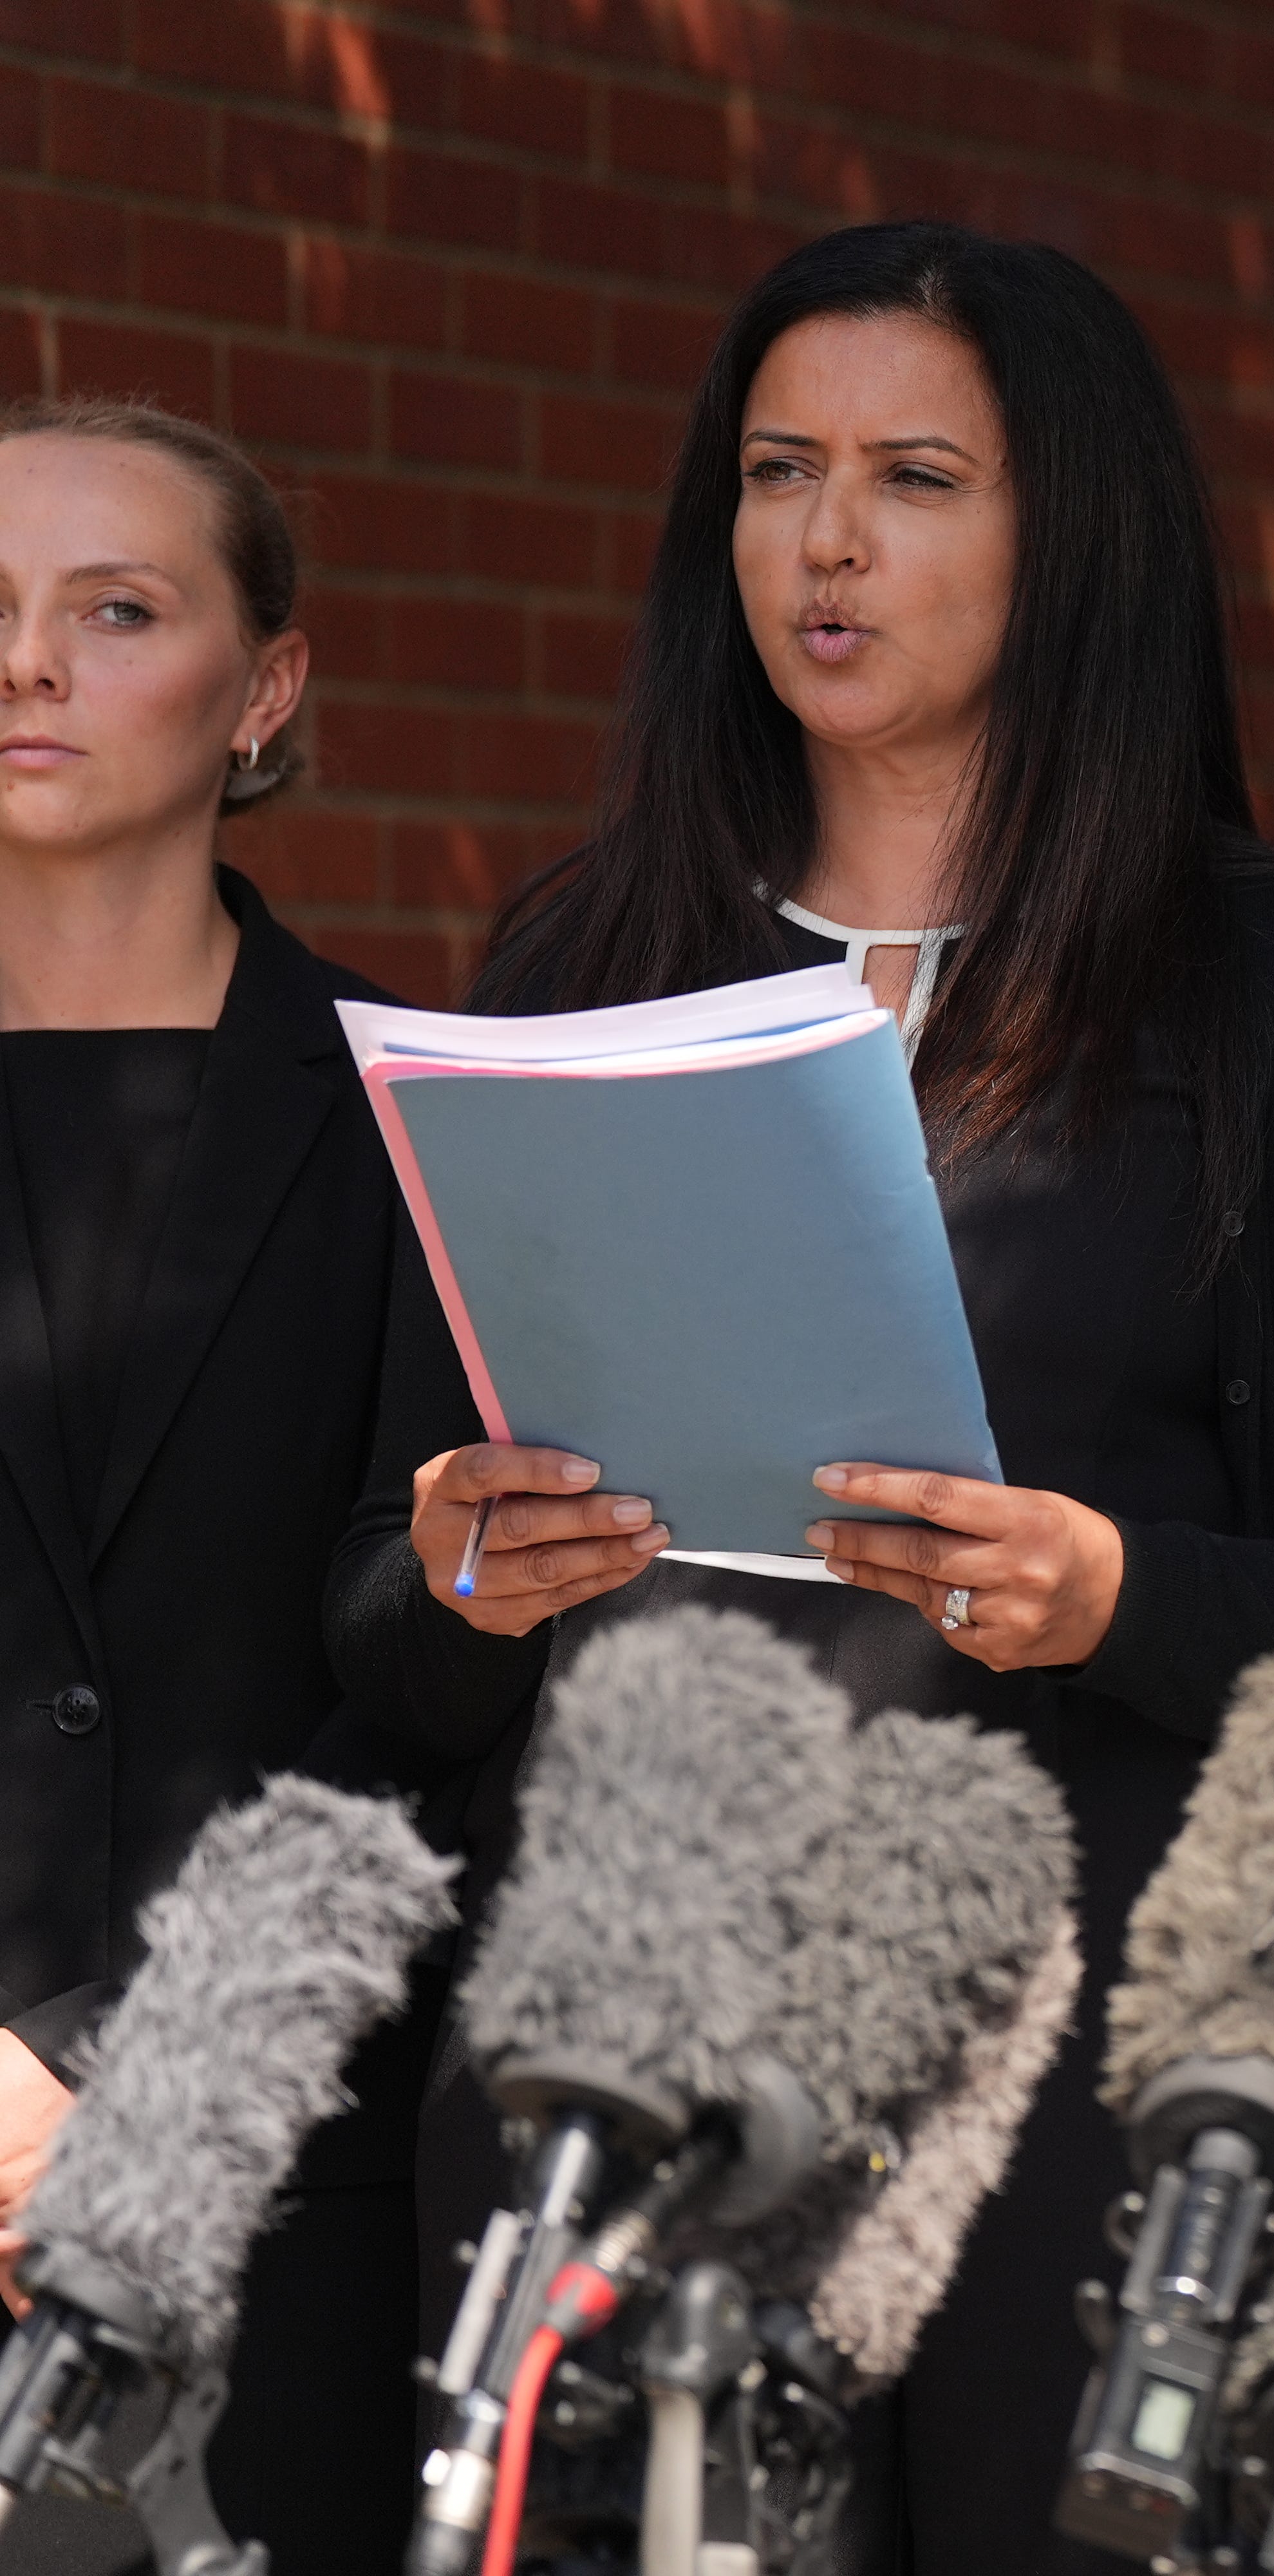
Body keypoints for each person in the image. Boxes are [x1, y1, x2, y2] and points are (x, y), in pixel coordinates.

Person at [321, 223, 1274, 2570]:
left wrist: (1117, 1594)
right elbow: (378, 1609)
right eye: (778, 473)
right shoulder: (582, 962)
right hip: (636, 2060)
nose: (827, 539)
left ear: (1070, 534)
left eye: (913, 475)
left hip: (1090, 2080)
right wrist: (468, 1570)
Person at [0, 398, 438, 2563]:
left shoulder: (421, 1117)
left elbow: (443, 1688)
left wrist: (111, 2060)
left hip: (284, 2182)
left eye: (115, 608)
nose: (28, 664)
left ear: (266, 685)